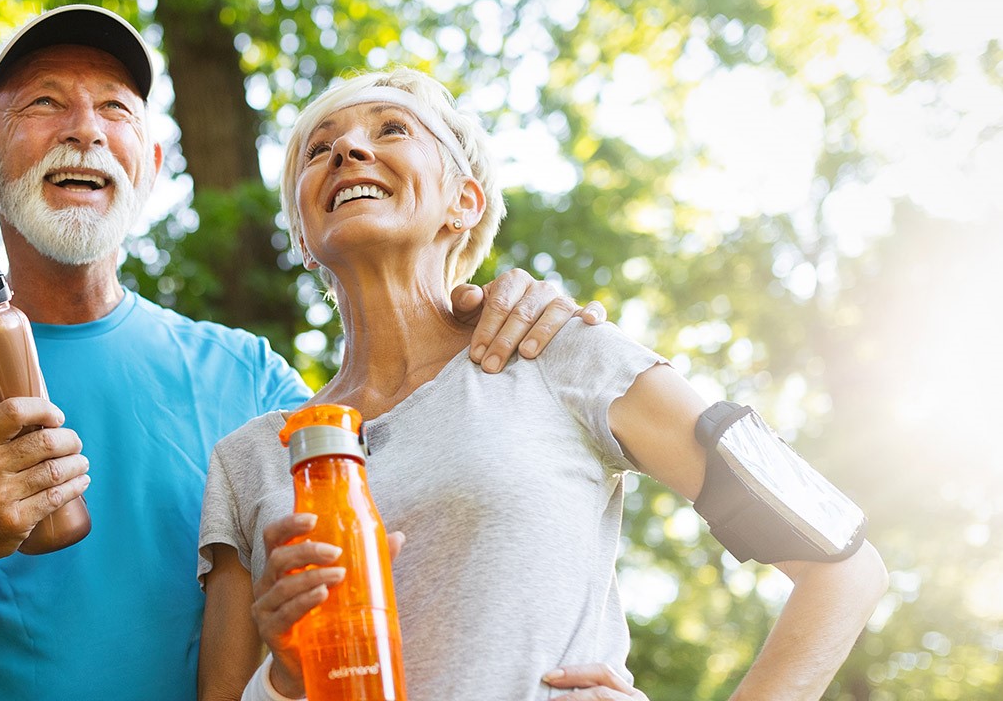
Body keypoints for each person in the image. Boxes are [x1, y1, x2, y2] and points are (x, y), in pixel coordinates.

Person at [0, 6, 601, 701]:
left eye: (116, 108)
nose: (85, 131)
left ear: (151, 163)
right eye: (43, 102)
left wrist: (567, 665)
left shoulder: (254, 381)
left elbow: (396, 574)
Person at [196, 67, 890, 701]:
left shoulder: (561, 355)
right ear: (303, 229)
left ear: (463, 201)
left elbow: (844, 570)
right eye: (319, 150)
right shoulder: (250, 461)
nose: (347, 151)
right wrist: (285, 679)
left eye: (390, 130)